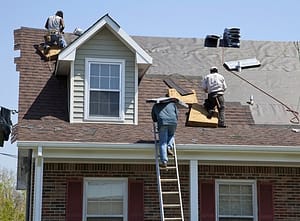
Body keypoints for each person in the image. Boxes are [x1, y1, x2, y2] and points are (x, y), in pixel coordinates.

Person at [152, 101, 178, 168]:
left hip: (163, 122)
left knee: (163, 142)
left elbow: (154, 118)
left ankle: (164, 161)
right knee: (171, 135)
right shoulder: (172, 104)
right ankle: (169, 147)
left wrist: (157, 119)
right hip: (173, 122)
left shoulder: (156, 105)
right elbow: (177, 114)